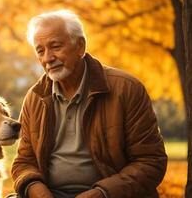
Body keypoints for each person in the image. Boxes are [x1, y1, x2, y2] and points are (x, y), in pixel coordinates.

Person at [10, 10, 167, 198]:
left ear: (80, 46)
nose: (48, 58)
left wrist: (102, 193)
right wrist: (38, 191)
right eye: (40, 50)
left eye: (55, 46)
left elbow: (150, 161)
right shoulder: (34, 98)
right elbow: (24, 162)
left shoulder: (127, 89)